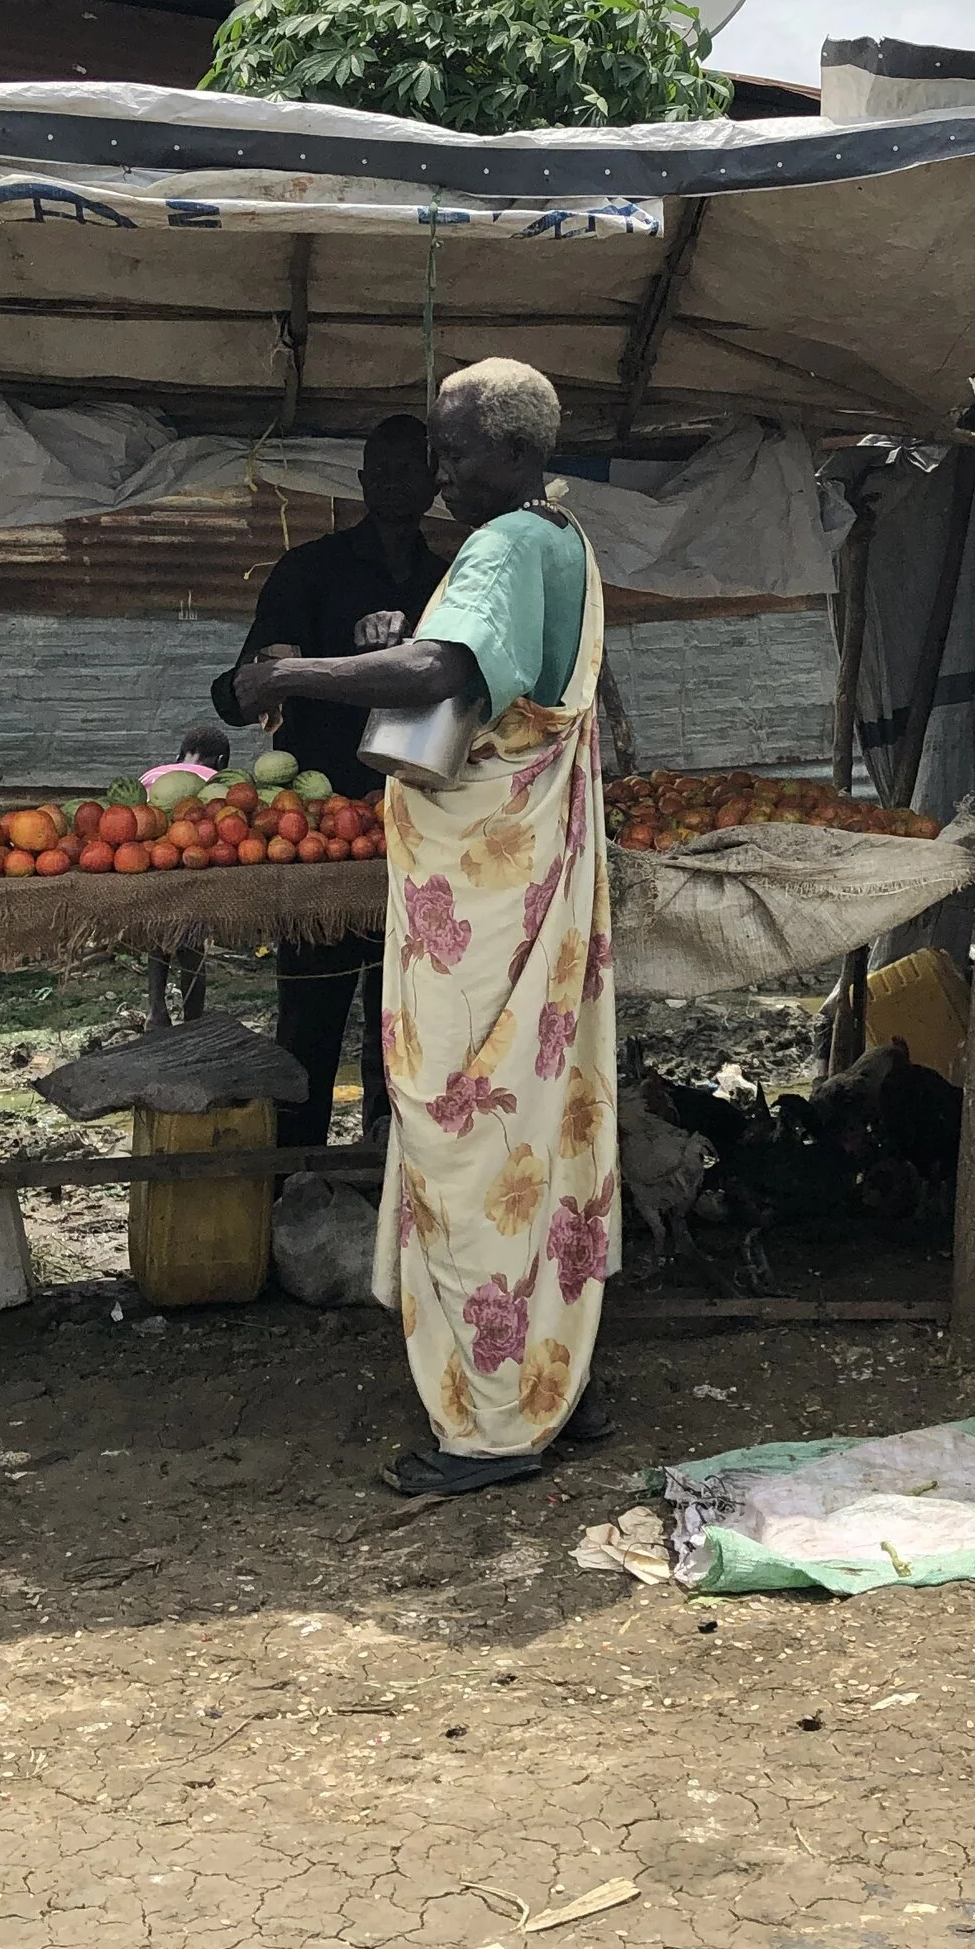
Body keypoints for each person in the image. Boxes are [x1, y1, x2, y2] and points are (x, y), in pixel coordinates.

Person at [229, 358, 616, 1496]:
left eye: (452, 452)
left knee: (466, 1124)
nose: (437, 475)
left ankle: (491, 1423)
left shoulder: (501, 546)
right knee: (542, 1120)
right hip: (529, 877)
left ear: (509, 450)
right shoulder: (566, 539)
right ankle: (560, 1376)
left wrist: (288, 673)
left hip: (483, 900)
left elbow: (439, 666)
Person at [222, 414, 441, 1151]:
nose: (391, 482)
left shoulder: (453, 583)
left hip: (428, 837)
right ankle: (295, 1182)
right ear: (359, 481)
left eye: (409, 469)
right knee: (309, 1027)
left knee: (409, 1027)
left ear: (435, 483)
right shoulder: (308, 573)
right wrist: (262, 680)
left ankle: (395, 1184)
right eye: (378, 468)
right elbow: (235, 690)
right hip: (319, 841)